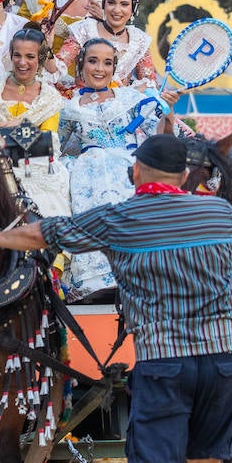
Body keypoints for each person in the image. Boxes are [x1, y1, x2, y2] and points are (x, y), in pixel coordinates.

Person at [0, 134, 232, 463]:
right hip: (227, 355)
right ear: (184, 176)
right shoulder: (220, 211)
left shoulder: (118, 218)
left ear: (135, 172)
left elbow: (44, 234)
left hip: (164, 358)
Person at [57, 39, 177, 300]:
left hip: (129, 177)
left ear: (114, 68)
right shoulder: (69, 109)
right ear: (81, 65)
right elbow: (57, 147)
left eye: (107, 63)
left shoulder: (133, 99)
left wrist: (169, 112)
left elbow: (162, 139)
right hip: (87, 186)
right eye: (93, 61)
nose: (100, 68)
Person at [0, 26, 71, 218]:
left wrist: (17, 130)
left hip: (32, 166)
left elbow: (50, 144)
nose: (22, 62)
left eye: (30, 57)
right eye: (17, 55)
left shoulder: (50, 98)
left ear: (39, 58)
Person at [51, 0, 158, 94]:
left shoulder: (139, 40)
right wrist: (46, 45)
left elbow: (149, 84)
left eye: (124, 4)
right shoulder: (85, 29)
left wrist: (125, 96)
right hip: (82, 104)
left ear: (133, 9)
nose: (117, 10)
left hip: (120, 108)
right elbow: (56, 68)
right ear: (103, 4)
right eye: (111, 3)